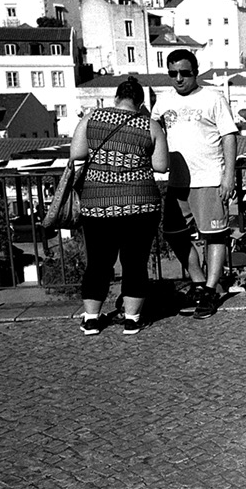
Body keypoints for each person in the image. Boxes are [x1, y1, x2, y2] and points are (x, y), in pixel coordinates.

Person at [71, 76, 169, 335]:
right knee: (135, 262)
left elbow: (77, 153)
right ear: (140, 103)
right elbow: (161, 166)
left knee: (98, 262)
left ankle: (91, 319)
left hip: (97, 203)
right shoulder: (149, 124)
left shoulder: (91, 118)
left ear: (116, 98)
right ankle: (132, 319)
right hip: (140, 204)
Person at [152, 49, 238, 319]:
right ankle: (199, 281)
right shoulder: (163, 101)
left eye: (184, 73)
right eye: (173, 73)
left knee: (215, 235)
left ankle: (210, 291)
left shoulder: (213, 98)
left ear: (195, 72)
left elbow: (229, 136)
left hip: (209, 179)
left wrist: (229, 176)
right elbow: (152, 133)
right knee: (173, 234)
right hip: (176, 182)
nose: (178, 78)